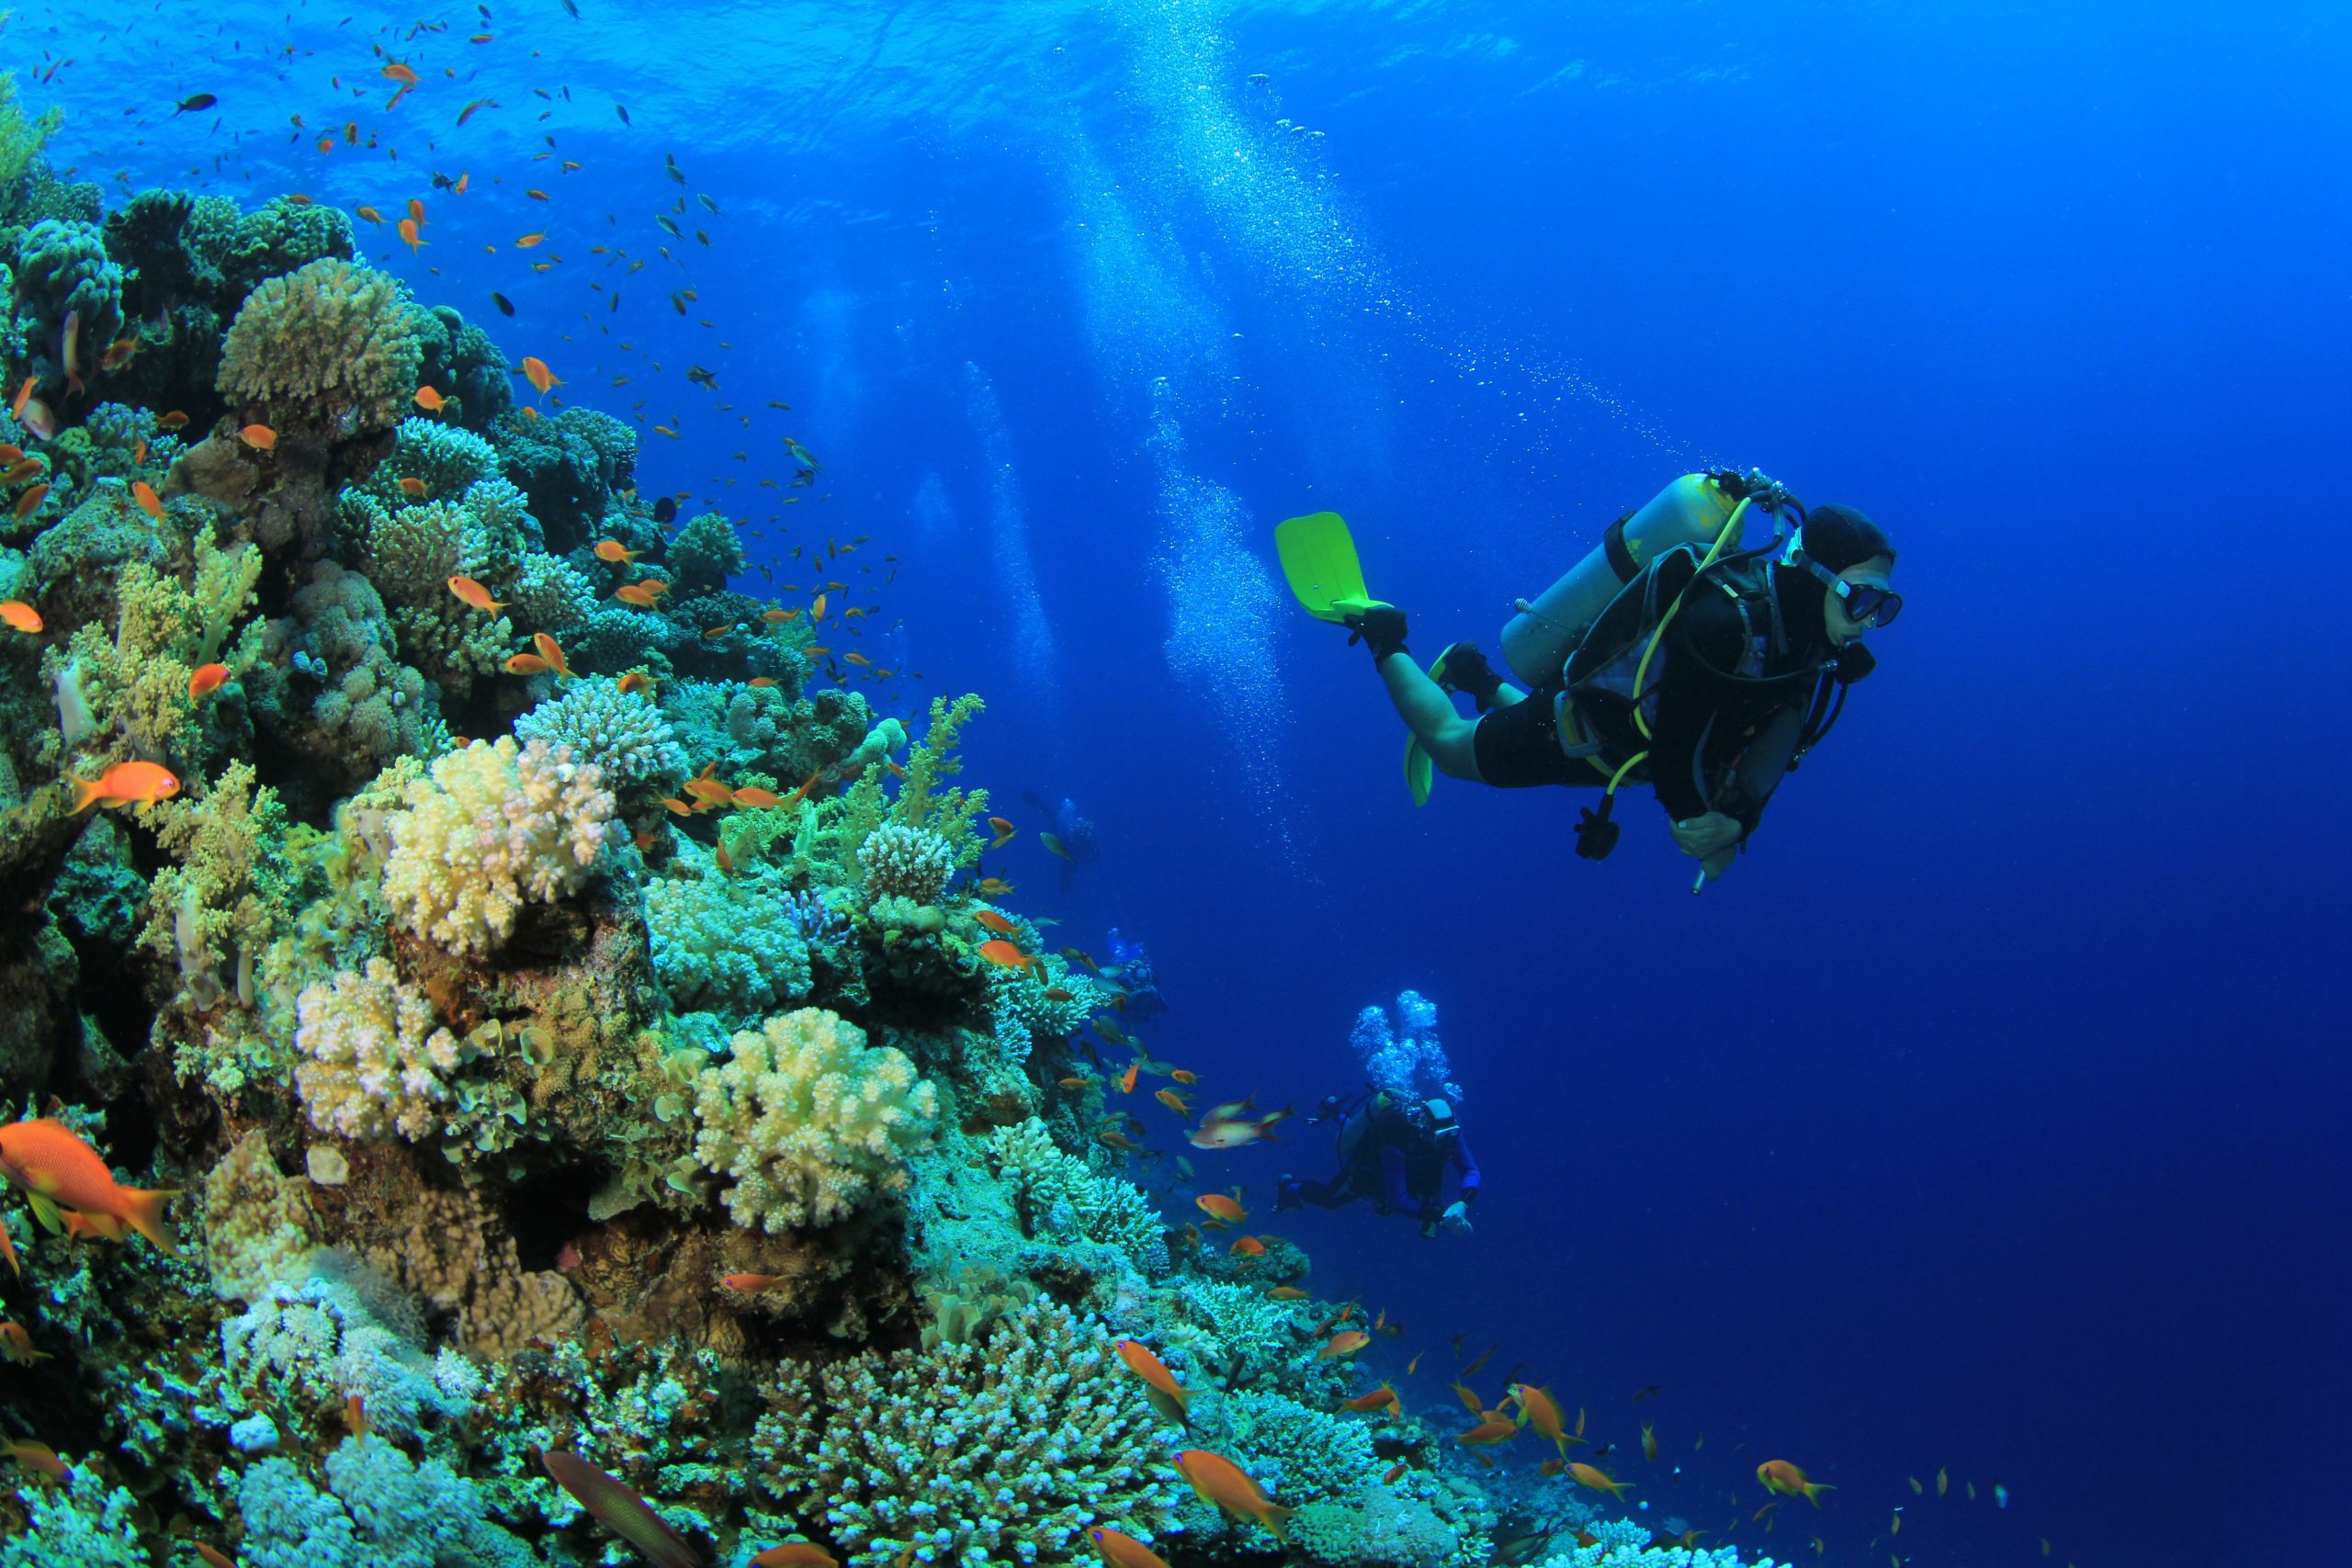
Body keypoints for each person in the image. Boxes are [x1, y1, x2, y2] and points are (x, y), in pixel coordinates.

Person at [1276, 471, 1898, 886]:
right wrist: (1707, 828)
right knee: (1451, 745)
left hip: (1612, 739)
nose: (1871, 624)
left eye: (1885, 608)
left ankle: (1472, 670)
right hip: (1591, 726)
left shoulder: (1808, 646)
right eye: (1865, 601)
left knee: (1543, 717)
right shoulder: (1725, 624)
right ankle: (1386, 633)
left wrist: (1738, 819)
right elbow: (1678, 748)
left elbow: (1778, 736)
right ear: (1817, 576)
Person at [1275, 1090, 1481, 1238]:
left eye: (1451, 1134)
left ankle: (1335, 1111)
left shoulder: (1450, 1133)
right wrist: (1440, 1217)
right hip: (1370, 1166)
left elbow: (1470, 1170)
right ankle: (1289, 1186)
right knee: (1330, 1199)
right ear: (1425, 1129)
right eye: (1441, 1137)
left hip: (1408, 1170)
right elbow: (1398, 1200)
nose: (1447, 1141)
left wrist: (1463, 1203)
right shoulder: (1399, 1137)